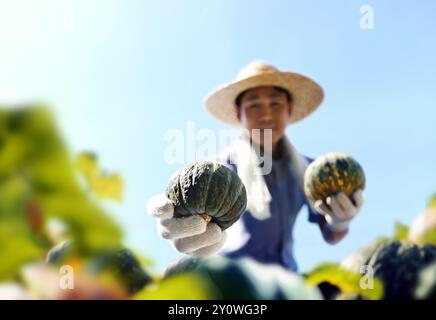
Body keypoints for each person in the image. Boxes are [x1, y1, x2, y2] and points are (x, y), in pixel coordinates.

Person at [147, 61, 364, 272]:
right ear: (238, 112)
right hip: (232, 280)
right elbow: (194, 199)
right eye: (254, 105)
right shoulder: (221, 168)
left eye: (276, 103)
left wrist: (339, 222)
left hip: (287, 280)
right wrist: (180, 216)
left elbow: (330, 235)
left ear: (290, 108)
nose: (266, 114)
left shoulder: (310, 171)